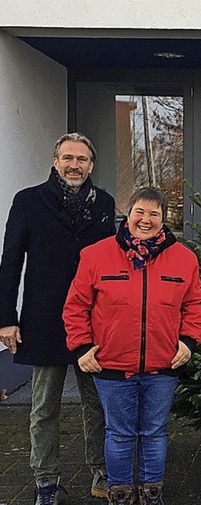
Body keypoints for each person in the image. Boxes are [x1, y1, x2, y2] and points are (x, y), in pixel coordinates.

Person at [63, 186, 201, 505]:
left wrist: (188, 341)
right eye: (140, 212)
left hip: (164, 364)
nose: (146, 219)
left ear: (164, 219)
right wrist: (82, 346)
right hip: (111, 364)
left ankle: (152, 493)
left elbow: (195, 304)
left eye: (154, 214)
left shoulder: (184, 259)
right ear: (128, 215)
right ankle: (121, 493)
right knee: (120, 433)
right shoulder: (96, 255)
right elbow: (76, 306)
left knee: (154, 432)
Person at [0, 133, 115, 504]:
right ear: (55, 161)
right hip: (43, 320)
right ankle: (46, 481)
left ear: (91, 165)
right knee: (43, 407)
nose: (74, 165)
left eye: (82, 159)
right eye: (67, 157)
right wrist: (6, 318)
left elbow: (113, 266)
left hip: (92, 322)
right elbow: (10, 263)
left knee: (96, 403)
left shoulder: (104, 205)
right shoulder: (28, 201)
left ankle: (101, 471)